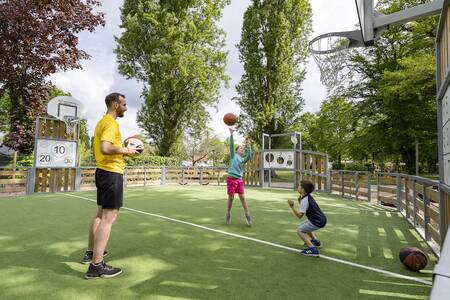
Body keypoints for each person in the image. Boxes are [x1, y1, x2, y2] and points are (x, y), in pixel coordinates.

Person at [82, 92, 139, 279]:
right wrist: (127, 150)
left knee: (100, 214)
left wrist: (121, 148)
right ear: (115, 105)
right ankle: (96, 266)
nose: (125, 107)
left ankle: (91, 253)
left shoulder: (101, 122)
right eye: (123, 104)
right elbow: (105, 148)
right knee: (109, 218)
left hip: (102, 172)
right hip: (111, 172)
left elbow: (103, 147)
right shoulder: (111, 123)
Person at [287, 180, 327, 257]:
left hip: (317, 221)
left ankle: (312, 249)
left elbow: (299, 216)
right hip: (320, 219)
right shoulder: (307, 197)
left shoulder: (305, 200)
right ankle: (315, 241)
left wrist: (292, 206)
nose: (297, 187)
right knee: (305, 224)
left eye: (299, 186)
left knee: (300, 230)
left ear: (303, 189)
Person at [225, 127, 253, 225]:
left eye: (243, 148)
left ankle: (247, 214)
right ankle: (228, 213)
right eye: (241, 148)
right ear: (237, 151)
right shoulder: (233, 156)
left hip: (239, 180)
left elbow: (249, 155)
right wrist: (232, 134)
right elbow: (232, 146)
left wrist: (249, 146)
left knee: (242, 197)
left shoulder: (243, 159)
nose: (242, 149)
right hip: (231, 180)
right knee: (231, 197)